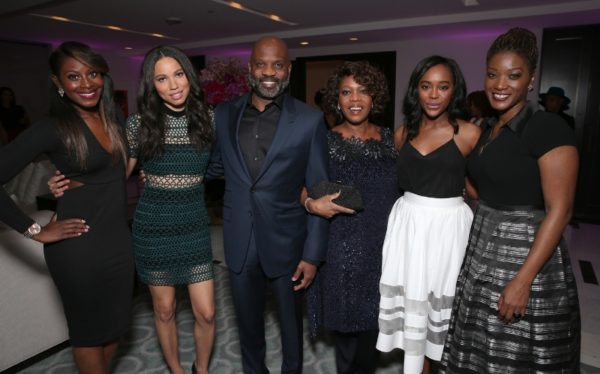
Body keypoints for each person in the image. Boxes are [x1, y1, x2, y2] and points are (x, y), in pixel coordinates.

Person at [50, 45, 216, 374]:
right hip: (153, 227)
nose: (173, 85)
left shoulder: (209, 118)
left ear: (189, 76)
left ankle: (202, 369)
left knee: (207, 312)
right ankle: (177, 370)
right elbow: (114, 175)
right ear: (151, 85)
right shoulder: (139, 124)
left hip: (194, 225)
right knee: (165, 309)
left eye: (179, 74)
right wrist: (66, 190)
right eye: (162, 78)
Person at [440, 28, 581, 373]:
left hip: (524, 254)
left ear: (531, 79)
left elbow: (560, 211)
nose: (500, 84)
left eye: (513, 75)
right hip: (482, 247)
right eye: (493, 74)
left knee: (514, 351)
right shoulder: (490, 128)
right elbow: (486, 189)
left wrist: (523, 281)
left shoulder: (547, 126)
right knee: (478, 345)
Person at [0, 41, 134, 373]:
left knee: (117, 328)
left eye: (92, 73)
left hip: (118, 240)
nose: (86, 84)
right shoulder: (51, 128)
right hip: (77, 246)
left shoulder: (114, 115)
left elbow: (117, 170)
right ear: (58, 83)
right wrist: (35, 230)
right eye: (73, 76)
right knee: (88, 334)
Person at [205, 36, 329, 373]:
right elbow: (214, 167)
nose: (269, 72)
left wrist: (312, 255)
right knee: (248, 329)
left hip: (289, 243)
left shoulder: (309, 120)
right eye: (262, 64)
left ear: (288, 69)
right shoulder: (224, 114)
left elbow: (319, 190)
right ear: (250, 68)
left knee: (291, 329)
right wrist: (167, 175)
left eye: (277, 65)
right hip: (239, 238)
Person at [376, 55, 481, 374]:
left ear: (454, 92)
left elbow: (479, 191)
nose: (434, 94)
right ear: (416, 91)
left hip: (448, 231)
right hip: (408, 228)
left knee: (443, 310)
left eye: (443, 87)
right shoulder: (401, 134)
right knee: (413, 310)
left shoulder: (469, 135)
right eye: (426, 86)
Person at [303, 61, 398, 374]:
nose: (355, 99)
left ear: (374, 97)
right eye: (346, 92)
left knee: (373, 330)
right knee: (346, 338)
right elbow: (300, 186)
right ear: (337, 99)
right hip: (341, 250)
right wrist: (310, 204)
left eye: (363, 91)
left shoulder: (391, 139)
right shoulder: (325, 141)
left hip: (382, 251)